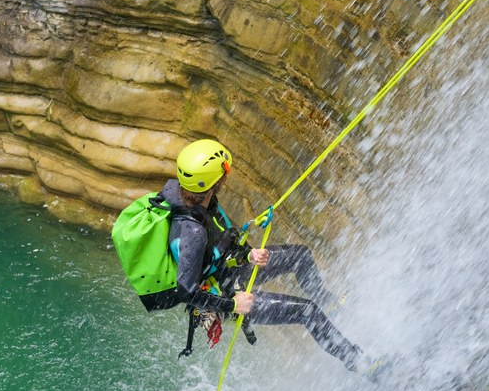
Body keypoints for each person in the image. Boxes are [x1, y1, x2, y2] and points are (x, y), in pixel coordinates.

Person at [161, 138, 385, 377]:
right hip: (225, 296)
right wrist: (233, 305)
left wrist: (248, 253)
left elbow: (221, 242)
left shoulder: (200, 198)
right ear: (213, 181)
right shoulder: (192, 233)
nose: (227, 176)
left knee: (300, 256)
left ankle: (328, 303)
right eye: (224, 171)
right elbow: (186, 291)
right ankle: (360, 363)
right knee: (306, 311)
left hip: (229, 273)